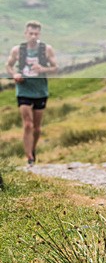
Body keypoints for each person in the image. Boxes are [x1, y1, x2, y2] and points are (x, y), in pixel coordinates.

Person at [5, 21, 58, 166]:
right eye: (30, 33)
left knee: (37, 127)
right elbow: (8, 66)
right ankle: (28, 156)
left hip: (40, 91)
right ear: (25, 34)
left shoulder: (46, 49)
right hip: (23, 90)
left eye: (36, 34)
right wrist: (14, 74)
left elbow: (55, 68)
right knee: (27, 124)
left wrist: (42, 69)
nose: (33, 36)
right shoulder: (18, 50)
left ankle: (33, 150)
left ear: (39, 34)